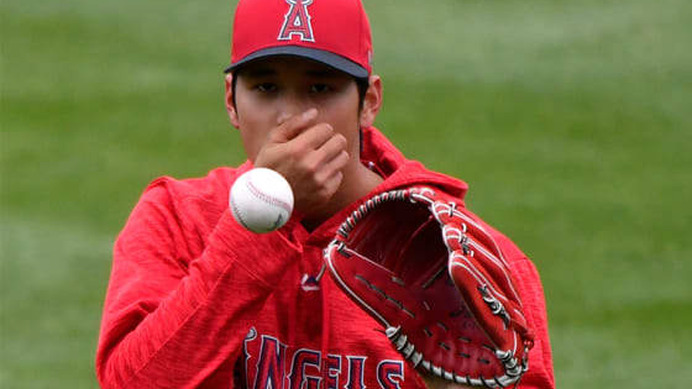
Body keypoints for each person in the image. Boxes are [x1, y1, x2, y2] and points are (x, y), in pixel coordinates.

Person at [96, 0, 555, 387]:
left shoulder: (454, 254)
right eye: (266, 87)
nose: (292, 116)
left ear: (369, 102)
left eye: (321, 87)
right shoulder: (178, 218)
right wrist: (253, 231)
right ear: (231, 100)